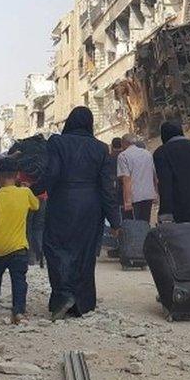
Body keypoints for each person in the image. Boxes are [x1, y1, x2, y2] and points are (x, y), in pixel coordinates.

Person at [41, 107, 120, 320]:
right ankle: (81, 303)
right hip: (90, 205)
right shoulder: (101, 148)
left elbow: (52, 173)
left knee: (56, 247)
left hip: (63, 202)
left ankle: (63, 295)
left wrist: (33, 191)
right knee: (84, 252)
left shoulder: (57, 143)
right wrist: (115, 220)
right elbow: (107, 187)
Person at [0, 158, 39, 325]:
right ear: (18, 175)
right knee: (19, 279)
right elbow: (35, 206)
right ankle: (19, 312)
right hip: (19, 246)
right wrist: (27, 189)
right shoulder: (25, 193)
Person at [117, 133, 157, 223]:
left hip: (134, 196)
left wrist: (127, 201)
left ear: (124, 143)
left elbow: (126, 179)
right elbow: (153, 175)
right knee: (146, 222)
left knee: (136, 225)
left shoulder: (123, 156)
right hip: (148, 194)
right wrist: (155, 193)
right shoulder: (147, 153)